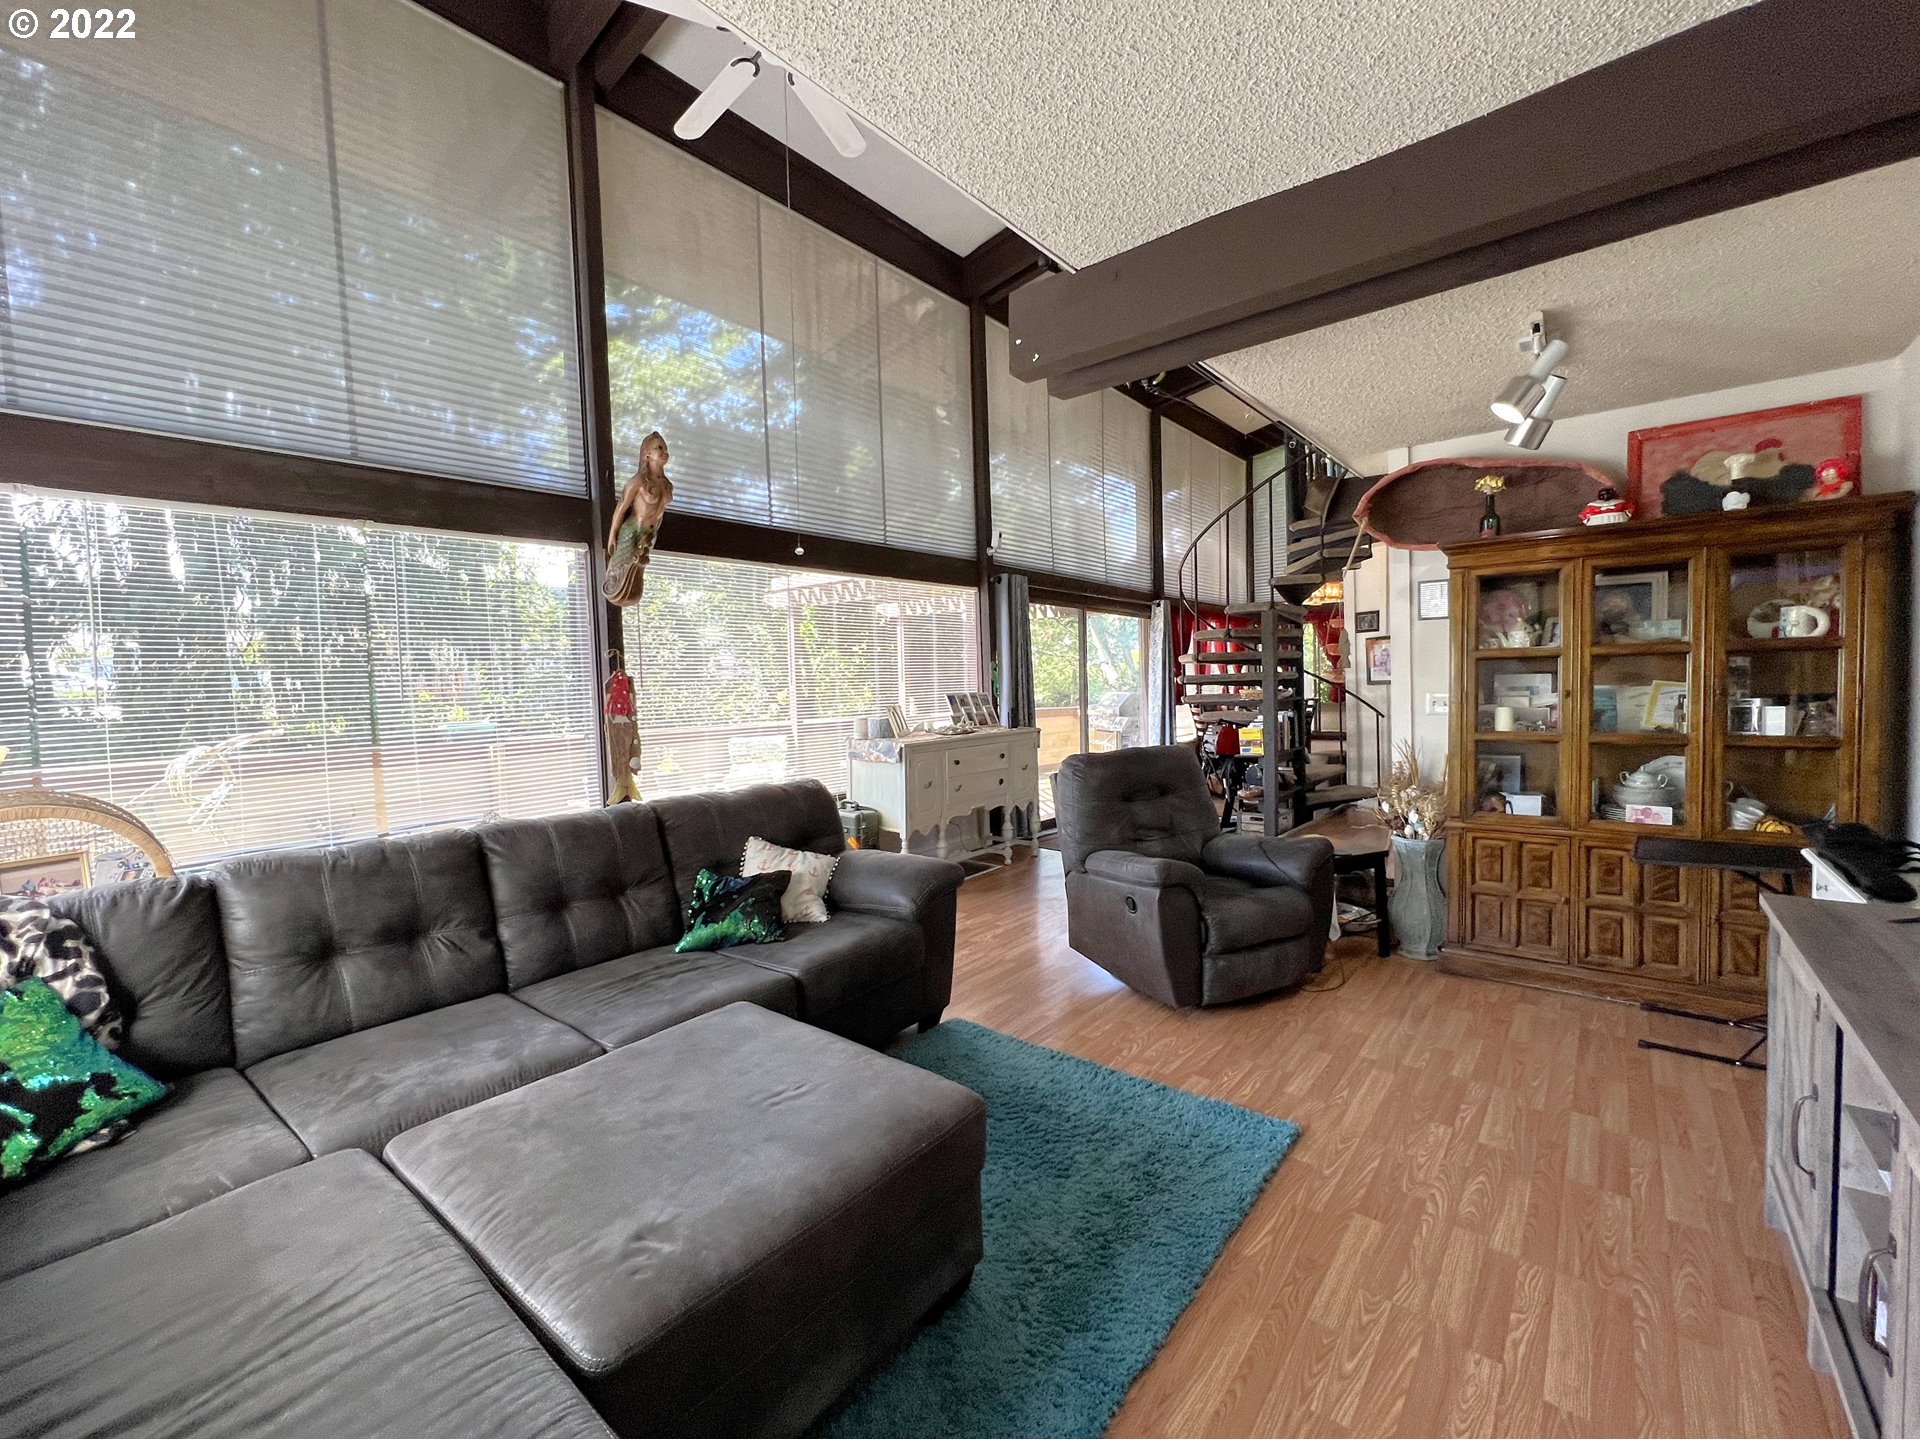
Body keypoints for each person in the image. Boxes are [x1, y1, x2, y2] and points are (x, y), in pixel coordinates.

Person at [603, 431, 673, 606]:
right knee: (620, 571)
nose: (664, 451)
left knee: (638, 570)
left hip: (650, 533)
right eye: (659, 447)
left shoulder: (667, 485)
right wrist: (613, 534)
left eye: (665, 448)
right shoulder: (639, 480)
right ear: (646, 454)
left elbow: (660, 513)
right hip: (633, 530)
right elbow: (622, 507)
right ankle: (616, 590)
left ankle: (630, 593)